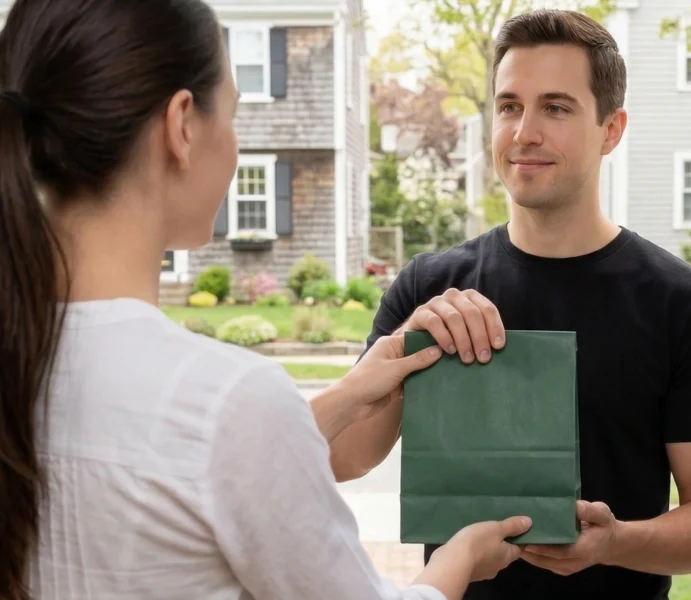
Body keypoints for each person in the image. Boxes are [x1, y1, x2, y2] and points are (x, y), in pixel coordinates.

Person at [0, 1, 534, 599]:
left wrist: (348, 395)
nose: (232, 148)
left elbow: (190, 452)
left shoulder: (26, 360)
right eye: (230, 114)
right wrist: (458, 557)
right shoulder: (229, 400)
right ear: (181, 125)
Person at [329, 8, 691, 599]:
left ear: (611, 129)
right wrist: (400, 358)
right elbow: (343, 459)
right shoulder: (429, 289)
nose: (524, 131)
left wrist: (616, 541)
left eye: (556, 107)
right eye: (508, 106)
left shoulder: (683, 305)